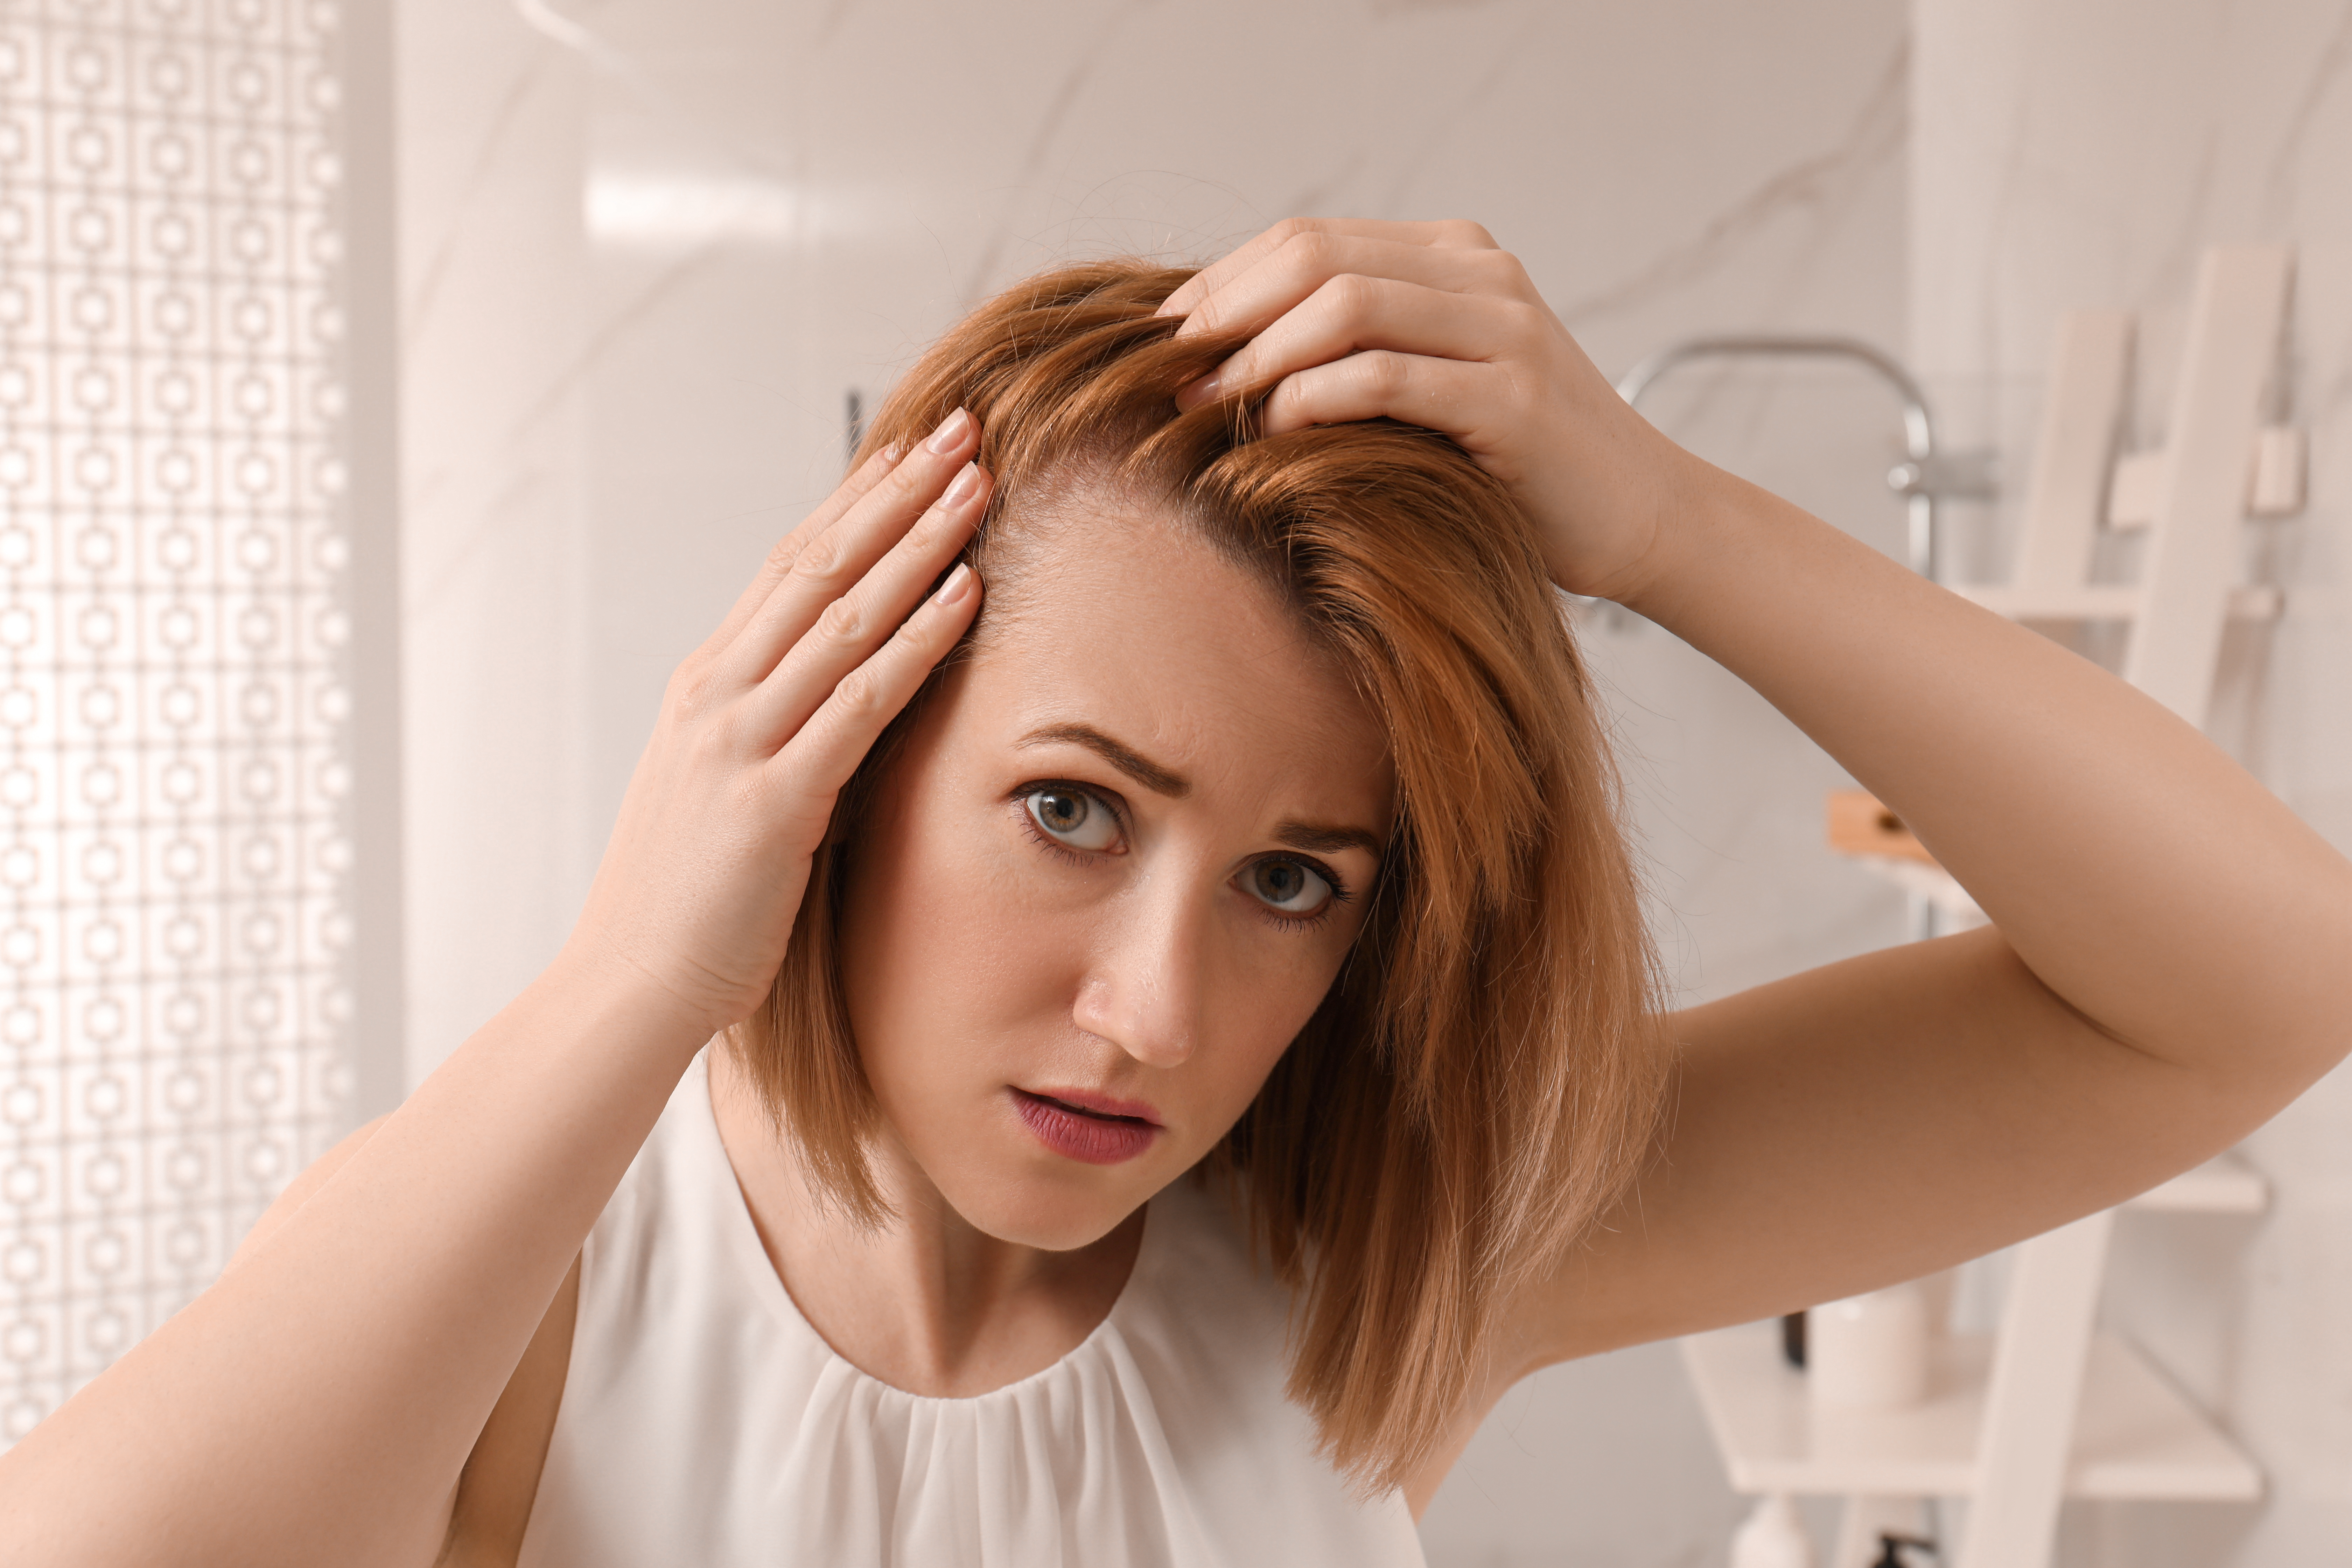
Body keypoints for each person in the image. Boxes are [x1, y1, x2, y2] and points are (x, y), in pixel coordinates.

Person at [3, 219, 2346, 1568]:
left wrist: (1666, 526)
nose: (1156, 1008)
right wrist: (638, 969)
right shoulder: (538, 1288)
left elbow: (2250, 988)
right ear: (854, 744)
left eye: (1298, 879)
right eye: (1078, 811)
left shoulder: (1373, 1276)